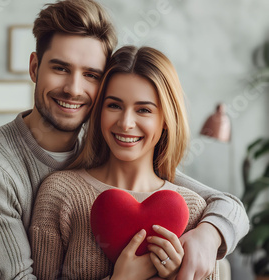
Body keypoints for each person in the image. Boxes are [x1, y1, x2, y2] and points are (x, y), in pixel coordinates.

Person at [0, 1, 249, 279]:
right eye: (60, 68)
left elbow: (220, 203)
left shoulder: (105, 149)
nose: (73, 89)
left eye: (91, 75)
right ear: (34, 68)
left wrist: (210, 233)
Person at [30, 45, 217, 280]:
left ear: (166, 119)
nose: (126, 123)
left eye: (144, 110)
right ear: (100, 111)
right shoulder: (60, 193)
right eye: (114, 106)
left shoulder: (195, 212)